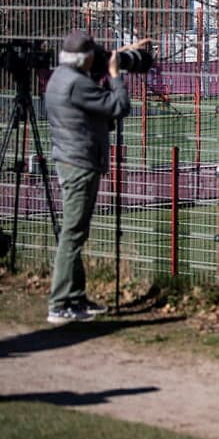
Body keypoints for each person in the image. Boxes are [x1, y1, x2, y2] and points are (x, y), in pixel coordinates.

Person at [44, 30, 151, 324]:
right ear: (85, 59)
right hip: (80, 163)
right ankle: (60, 303)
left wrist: (119, 53)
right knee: (73, 234)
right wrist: (116, 75)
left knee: (74, 231)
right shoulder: (78, 85)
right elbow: (119, 106)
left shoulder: (61, 76)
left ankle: (75, 297)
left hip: (70, 159)